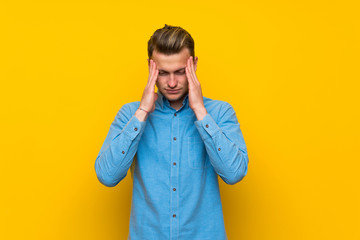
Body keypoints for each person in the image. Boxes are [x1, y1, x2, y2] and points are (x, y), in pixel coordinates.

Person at [94, 24, 249, 240]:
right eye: (163, 73)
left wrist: (200, 111)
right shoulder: (130, 114)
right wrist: (142, 112)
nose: (173, 83)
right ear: (151, 68)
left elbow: (234, 174)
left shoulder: (220, 112)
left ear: (193, 65)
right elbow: (107, 176)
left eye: (180, 72)